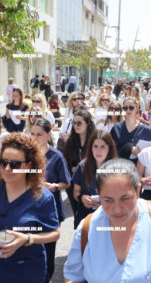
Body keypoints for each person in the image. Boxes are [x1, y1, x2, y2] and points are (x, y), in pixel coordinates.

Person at [64, 158, 151, 283]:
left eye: (125, 198)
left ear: (138, 191)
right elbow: (73, 277)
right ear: (98, 194)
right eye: (108, 200)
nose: (117, 209)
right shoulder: (87, 228)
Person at [0, 133, 60, 283]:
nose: (7, 168)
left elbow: (55, 233)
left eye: (15, 164)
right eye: (3, 162)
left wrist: (27, 238)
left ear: (29, 165)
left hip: (27, 273)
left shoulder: (42, 197)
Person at [31, 119, 71, 283]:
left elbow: (67, 183)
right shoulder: (26, 155)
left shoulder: (57, 156)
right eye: (32, 134)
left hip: (49, 211)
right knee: (31, 251)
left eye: (39, 134)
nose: (35, 138)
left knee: (48, 253)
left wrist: (54, 186)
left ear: (48, 135)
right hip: (29, 211)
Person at [72, 130, 117, 228]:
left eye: (103, 147)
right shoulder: (82, 166)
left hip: (109, 219)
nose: (98, 151)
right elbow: (76, 191)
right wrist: (82, 198)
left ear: (109, 148)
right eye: (95, 146)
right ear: (90, 148)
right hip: (86, 218)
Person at [63, 110, 96, 218]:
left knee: (92, 215)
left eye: (79, 123)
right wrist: (72, 168)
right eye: (74, 123)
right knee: (78, 214)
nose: (76, 126)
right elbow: (65, 163)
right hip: (74, 183)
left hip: (91, 183)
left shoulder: (96, 140)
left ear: (87, 123)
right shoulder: (70, 141)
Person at [110, 97, 151, 165]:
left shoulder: (145, 131)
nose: (128, 110)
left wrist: (140, 155)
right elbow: (110, 151)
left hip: (137, 171)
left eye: (131, 107)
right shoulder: (116, 129)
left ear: (137, 108)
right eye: (125, 108)